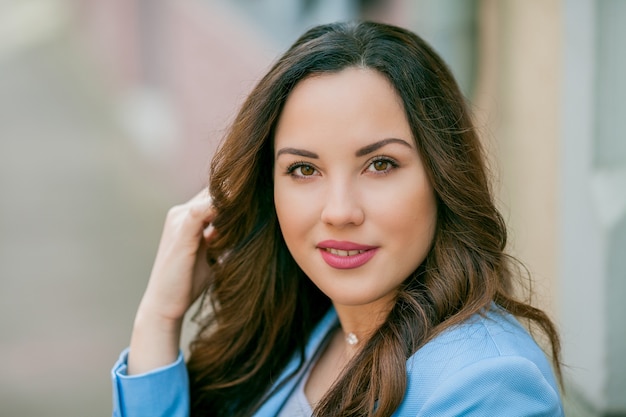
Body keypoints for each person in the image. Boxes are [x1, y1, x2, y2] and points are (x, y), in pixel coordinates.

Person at [111, 21, 564, 416]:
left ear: (443, 176)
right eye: (304, 169)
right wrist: (158, 318)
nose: (340, 212)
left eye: (381, 164)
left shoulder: (487, 387)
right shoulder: (303, 328)